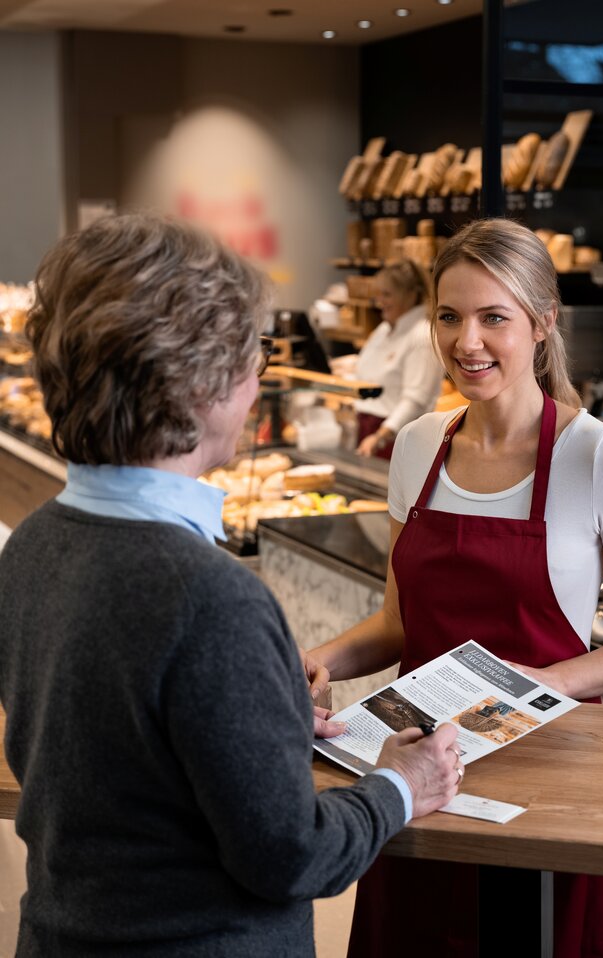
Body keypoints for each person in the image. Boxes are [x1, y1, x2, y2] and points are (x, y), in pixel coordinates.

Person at [0, 213, 463, 958]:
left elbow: (101, 753)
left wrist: (252, 729)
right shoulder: (211, 597)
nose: (259, 376)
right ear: (195, 380)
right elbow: (291, 856)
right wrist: (400, 785)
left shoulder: (32, 544)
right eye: (254, 351)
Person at [305, 218, 603, 958]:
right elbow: (398, 622)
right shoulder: (420, 443)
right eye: (451, 317)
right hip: (419, 768)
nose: (468, 342)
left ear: (543, 324)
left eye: (495, 318)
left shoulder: (597, 455)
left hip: (551, 773)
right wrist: (317, 659)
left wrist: (547, 679)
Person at [354, 258, 443, 459]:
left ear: (411, 295)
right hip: (368, 430)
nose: (379, 302)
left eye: (387, 294)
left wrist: (380, 436)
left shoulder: (421, 336)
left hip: (396, 438)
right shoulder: (383, 329)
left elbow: (416, 401)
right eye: (379, 294)